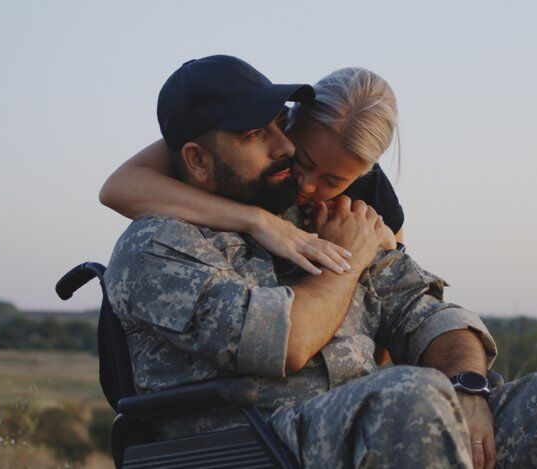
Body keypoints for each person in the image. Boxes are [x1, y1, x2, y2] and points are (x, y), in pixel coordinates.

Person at [103, 55, 537, 468]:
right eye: (256, 135)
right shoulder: (161, 245)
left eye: (280, 124)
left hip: (387, 424)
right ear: (198, 161)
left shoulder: (335, 215)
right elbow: (286, 340)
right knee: (411, 398)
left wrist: (467, 387)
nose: (284, 149)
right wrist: (352, 261)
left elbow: (426, 311)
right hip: (254, 443)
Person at [100, 64, 404, 365]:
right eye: (304, 159)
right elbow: (119, 188)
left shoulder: (369, 187)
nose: (308, 184)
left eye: (333, 182)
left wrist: (375, 241)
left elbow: (391, 333)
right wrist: (257, 219)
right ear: (290, 117)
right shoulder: (250, 128)